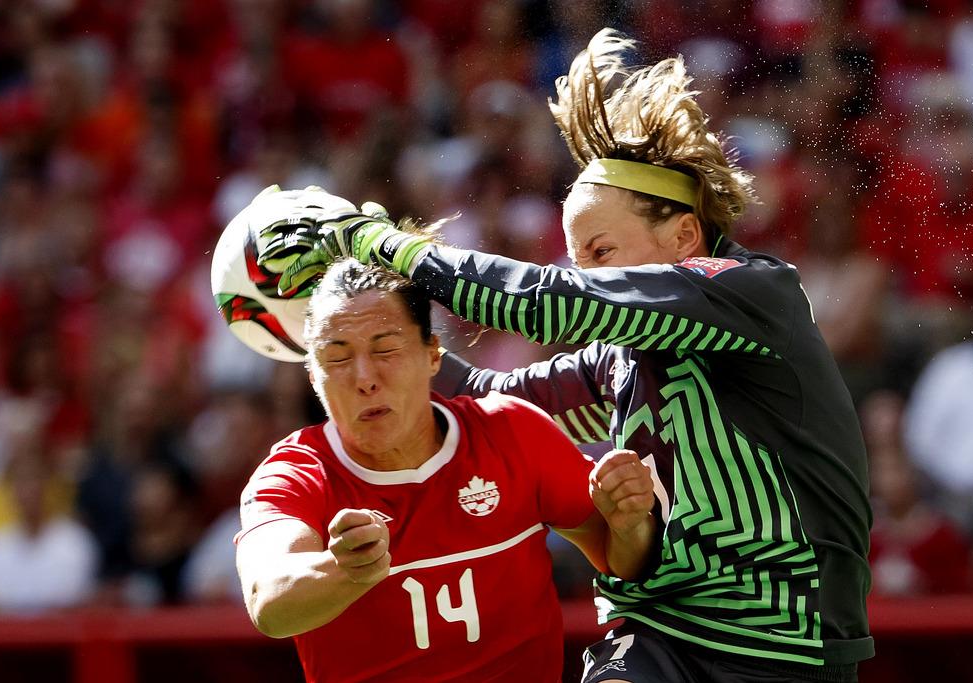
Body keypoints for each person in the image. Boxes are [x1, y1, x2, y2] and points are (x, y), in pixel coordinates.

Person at [251, 27, 874, 683]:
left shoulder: (754, 293)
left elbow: (546, 299)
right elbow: (488, 396)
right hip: (658, 637)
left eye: (601, 254)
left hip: (787, 652)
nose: (588, 275)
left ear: (685, 236)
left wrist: (384, 243)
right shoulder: (620, 358)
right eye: (579, 260)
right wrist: (355, 330)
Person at [233, 259, 657, 682]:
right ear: (312, 376)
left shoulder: (512, 430)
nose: (365, 378)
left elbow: (622, 561)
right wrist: (344, 569)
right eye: (338, 358)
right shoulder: (294, 473)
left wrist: (628, 523)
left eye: (386, 350)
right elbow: (268, 601)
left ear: (433, 354)